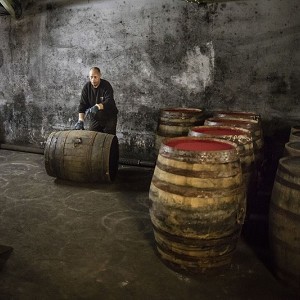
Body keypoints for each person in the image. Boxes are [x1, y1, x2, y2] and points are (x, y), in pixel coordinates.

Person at [74, 67, 118, 135]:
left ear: (100, 75)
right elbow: (82, 105)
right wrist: (81, 120)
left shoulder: (106, 85)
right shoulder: (87, 87)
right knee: (92, 137)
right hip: (95, 117)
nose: (93, 80)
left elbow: (109, 101)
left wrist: (97, 107)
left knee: (109, 139)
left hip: (109, 117)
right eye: (91, 77)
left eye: (95, 77)